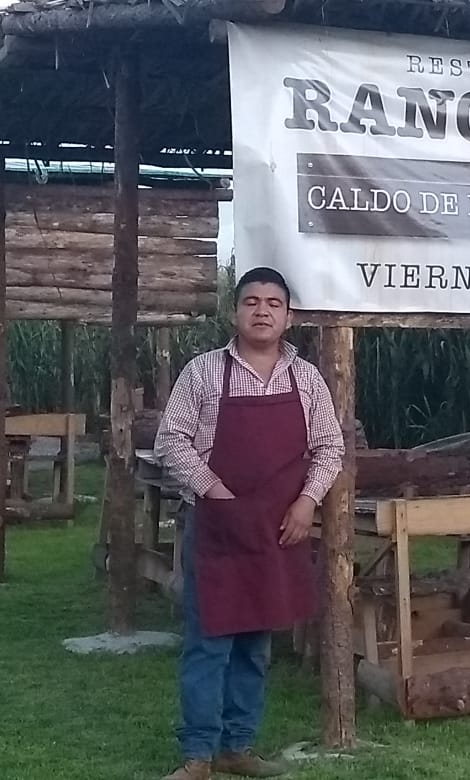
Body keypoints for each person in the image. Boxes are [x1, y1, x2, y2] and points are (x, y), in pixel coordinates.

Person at [155, 266, 345, 780]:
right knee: (208, 643)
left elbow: (330, 447)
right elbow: (171, 440)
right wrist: (217, 495)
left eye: (273, 303)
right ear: (234, 311)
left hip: (276, 530)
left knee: (255, 647)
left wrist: (307, 503)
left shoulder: (304, 379)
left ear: (288, 315)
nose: (262, 310)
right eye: (251, 301)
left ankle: (237, 748)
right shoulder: (203, 372)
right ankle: (197, 756)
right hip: (217, 530)